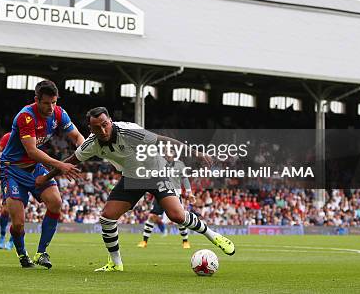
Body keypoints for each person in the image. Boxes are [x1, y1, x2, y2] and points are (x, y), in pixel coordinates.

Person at [36, 107, 235, 272]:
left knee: (177, 215)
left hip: (157, 172)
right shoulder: (91, 144)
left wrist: (195, 153)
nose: (103, 130)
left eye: (105, 125)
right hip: (132, 178)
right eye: (97, 128)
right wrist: (46, 177)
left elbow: (163, 140)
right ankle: (115, 263)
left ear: (110, 121)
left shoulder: (129, 132)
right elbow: (70, 162)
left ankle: (214, 236)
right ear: (91, 128)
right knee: (107, 217)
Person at [0, 80, 84, 268]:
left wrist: (84, 147)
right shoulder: (26, 117)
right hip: (12, 169)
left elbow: (77, 136)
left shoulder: (59, 113)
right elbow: (31, 150)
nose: (51, 107)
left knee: (56, 202)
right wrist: (60, 165)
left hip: (35, 166)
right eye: (46, 103)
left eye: (54, 102)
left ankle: (41, 252)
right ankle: (22, 255)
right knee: (19, 223)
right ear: (36, 100)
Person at [137, 159, 194, 249]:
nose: (167, 153)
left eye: (170, 151)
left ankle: (185, 241)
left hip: (175, 194)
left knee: (180, 218)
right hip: (161, 192)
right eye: (165, 150)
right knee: (152, 216)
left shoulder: (179, 164)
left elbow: (185, 178)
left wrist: (189, 193)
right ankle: (144, 241)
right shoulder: (158, 163)